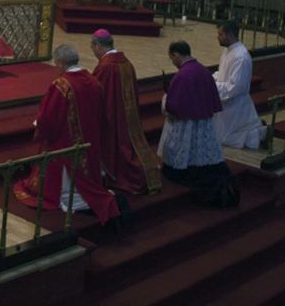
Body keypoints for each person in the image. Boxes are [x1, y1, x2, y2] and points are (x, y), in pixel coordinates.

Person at [13, 45, 120, 224]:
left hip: (65, 142)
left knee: (67, 180)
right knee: (86, 175)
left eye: (56, 64)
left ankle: (71, 200)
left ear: (61, 63)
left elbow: (49, 117)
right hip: (89, 140)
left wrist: (39, 125)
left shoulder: (61, 85)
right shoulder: (94, 81)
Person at [159, 41, 237, 206]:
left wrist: (166, 99)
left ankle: (182, 170)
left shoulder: (182, 76)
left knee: (184, 149)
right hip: (203, 122)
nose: (172, 62)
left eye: (172, 58)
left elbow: (172, 107)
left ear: (177, 54)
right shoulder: (203, 71)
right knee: (200, 150)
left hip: (185, 124)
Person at [90, 29, 161, 194]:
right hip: (128, 115)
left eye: (92, 48)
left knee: (116, 146)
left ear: (98, 46)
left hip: (113, 115)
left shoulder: (106, 66)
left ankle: (121, 175)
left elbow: (97, 94)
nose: (93, 52)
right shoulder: (126, 62)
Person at [213, 20, 265, 149]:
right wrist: (211, 78)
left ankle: (260, 133)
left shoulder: (240, 56)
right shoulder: (228, 51)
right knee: (218, 136)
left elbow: (236, 86)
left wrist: (213, 87)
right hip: (225, 102)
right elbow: (223, 73)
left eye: (220, 34)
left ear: (229, 35)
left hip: (235, 104)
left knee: (227, 137)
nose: (217, 37)